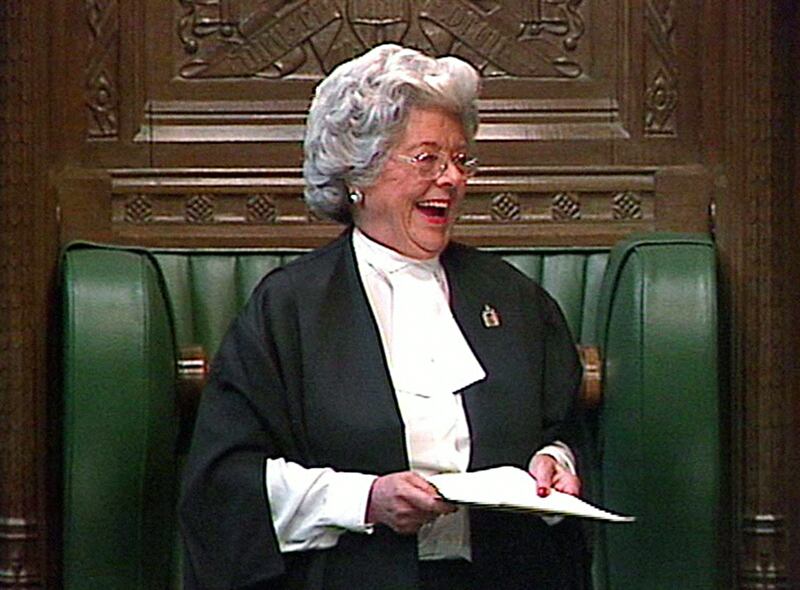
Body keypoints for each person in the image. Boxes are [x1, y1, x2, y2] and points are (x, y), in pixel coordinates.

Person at [179, 44, 589, 590]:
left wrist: (556, 462)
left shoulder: (514, 298)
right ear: (360, 173)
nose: (452, 178)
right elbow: (224, 484)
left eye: (460, 160)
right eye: (427, 159)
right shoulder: (290, 308)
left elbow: (565, 429)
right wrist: (365, 501)